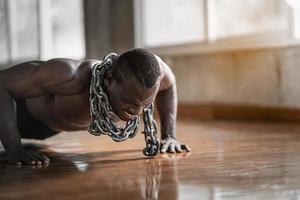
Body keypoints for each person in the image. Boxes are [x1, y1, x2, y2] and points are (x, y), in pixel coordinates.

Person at [0, 48, 190, 166]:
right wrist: (14, 149)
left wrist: (169, 136)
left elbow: (170, 82)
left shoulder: (155, 72)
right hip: (20, 113)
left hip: (50, 128)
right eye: (130, 102)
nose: (137, 112)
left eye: (146, 103)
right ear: (108, 80)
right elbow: (2, 83)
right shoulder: (69, 75)